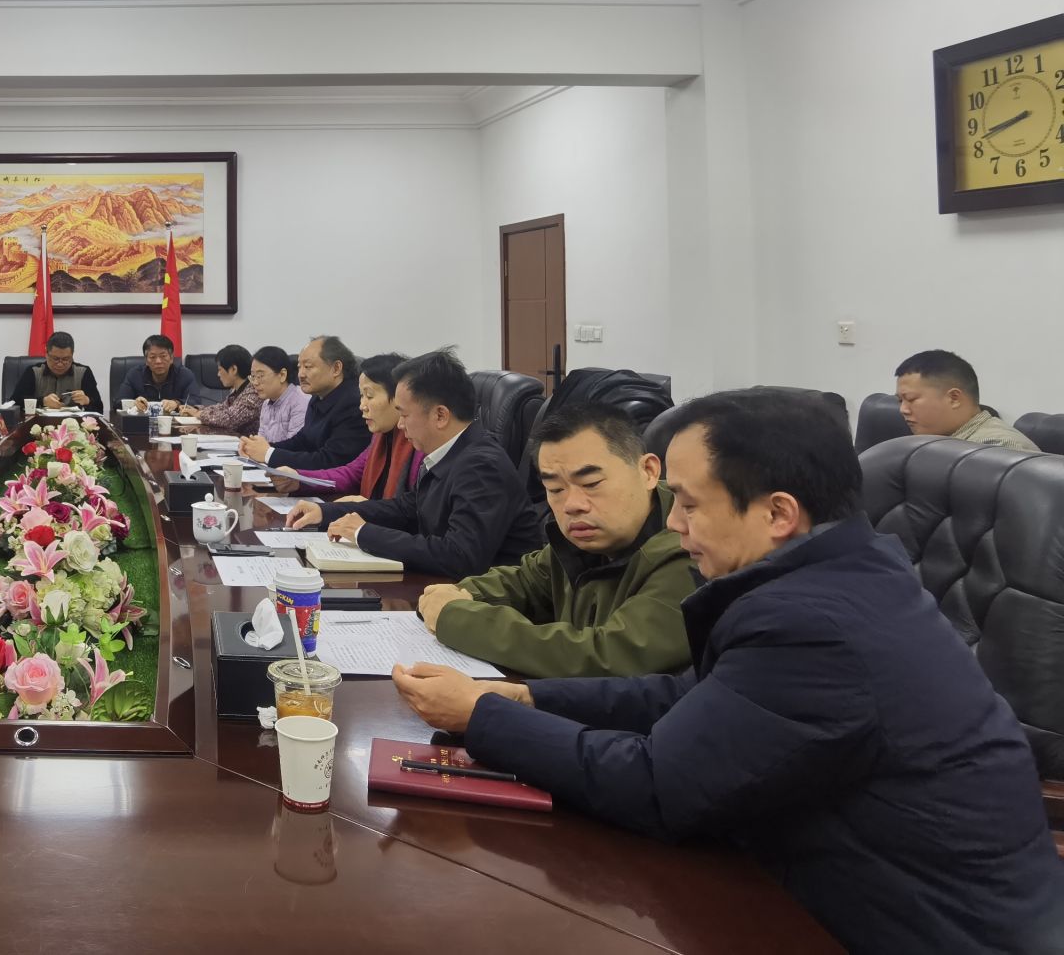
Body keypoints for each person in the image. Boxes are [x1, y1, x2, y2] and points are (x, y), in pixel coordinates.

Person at [393, 389, 1064, 955]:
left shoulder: (813, 625)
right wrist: (528, 698)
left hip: (923, 932)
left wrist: (482, 716)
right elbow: (689, 696)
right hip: (817, 881)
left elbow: (659, 785)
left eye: (688, 504)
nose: (674, 522)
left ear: (777, 513)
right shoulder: (847, 571)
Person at [417, 401, 696, 679]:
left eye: (591, 484)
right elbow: (523, 582)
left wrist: (457, 618)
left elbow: (610, 656)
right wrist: (459, 594)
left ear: (648, 471)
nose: (572, 505)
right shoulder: (582, 538)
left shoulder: (690, 548)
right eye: (555, 488)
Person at [289, 348, 541, 576]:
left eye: (404, 414)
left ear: (440, 415)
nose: (400, 425)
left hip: (492, 600)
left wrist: (363, 533)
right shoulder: (449, 453)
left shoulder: (482, 466)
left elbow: (460, 555)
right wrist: (326, 512)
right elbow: (405, 508)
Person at [273, 352, 414, 501]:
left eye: (370, 396)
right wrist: (298, 479)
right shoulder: (380, 437)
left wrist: (367, 508)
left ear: (400, 397)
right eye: (362, 396)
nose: (362, 406)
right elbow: (351, 474)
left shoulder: (417, 445)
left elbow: (408, 509)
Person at [240, 335, 366, 470]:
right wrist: (262, 448)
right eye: (299, 367)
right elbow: (303, 441)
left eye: (308, 366)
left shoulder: (354, 404)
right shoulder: (318, 397)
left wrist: (269, 454)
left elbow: (330, 461)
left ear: (336, 368)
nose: (301, 374)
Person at [895, 348, 1039, 452]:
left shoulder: (1000, 449)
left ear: (954, 398)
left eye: (911, 399)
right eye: (900, 401)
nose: (903, 410)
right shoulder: (935, 442)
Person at [8, 331, 102, 411]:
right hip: (40, 424)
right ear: (46, 354)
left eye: (65, 359)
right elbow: (14, 403)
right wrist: (42, 401)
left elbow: (99, 408)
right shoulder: (33, 371)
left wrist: (87, 400)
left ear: (72, 355)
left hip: (74, 425)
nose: (60, 364)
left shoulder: (84, 372)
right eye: (55, 359)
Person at [181, 344, 262, 435]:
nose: (218, 374)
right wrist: (197, 409)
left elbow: (229, 419)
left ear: (233, 369)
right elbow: (222, 408)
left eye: (219, 369)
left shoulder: (253, 393)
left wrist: (200, 414)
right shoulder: (237, 390)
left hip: (246, 442)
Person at [118, 334, 205, 411]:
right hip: (142, 423)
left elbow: (196, 402)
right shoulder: (135, 375)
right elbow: (118, 402)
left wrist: (177, 403)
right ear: (146, 361)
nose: (158, 361)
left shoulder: (184, 375)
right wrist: (134, 403)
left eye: (163, 356)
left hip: (174, 423)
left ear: (171, 358)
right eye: (153, 357)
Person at [250, 345, 310, 448]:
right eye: (253, 376)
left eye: (260, 376)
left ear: (282, 375)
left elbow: (295, 448)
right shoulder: (266, 404)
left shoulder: (300, 401)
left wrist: (263, 450)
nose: (255, 382)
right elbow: (261, 441)